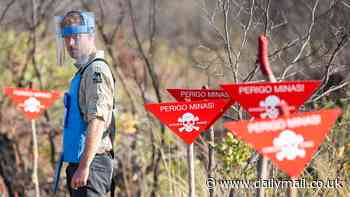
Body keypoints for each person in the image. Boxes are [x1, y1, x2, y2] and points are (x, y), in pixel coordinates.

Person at [55, 10, 115, 197]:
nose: (70, 43)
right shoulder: (84, 71)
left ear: (90, 36)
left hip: (92, 165)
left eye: (76, 37)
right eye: (67, 38)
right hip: (82, 164)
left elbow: (97, 120)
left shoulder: (96, 70)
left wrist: (84, 166)